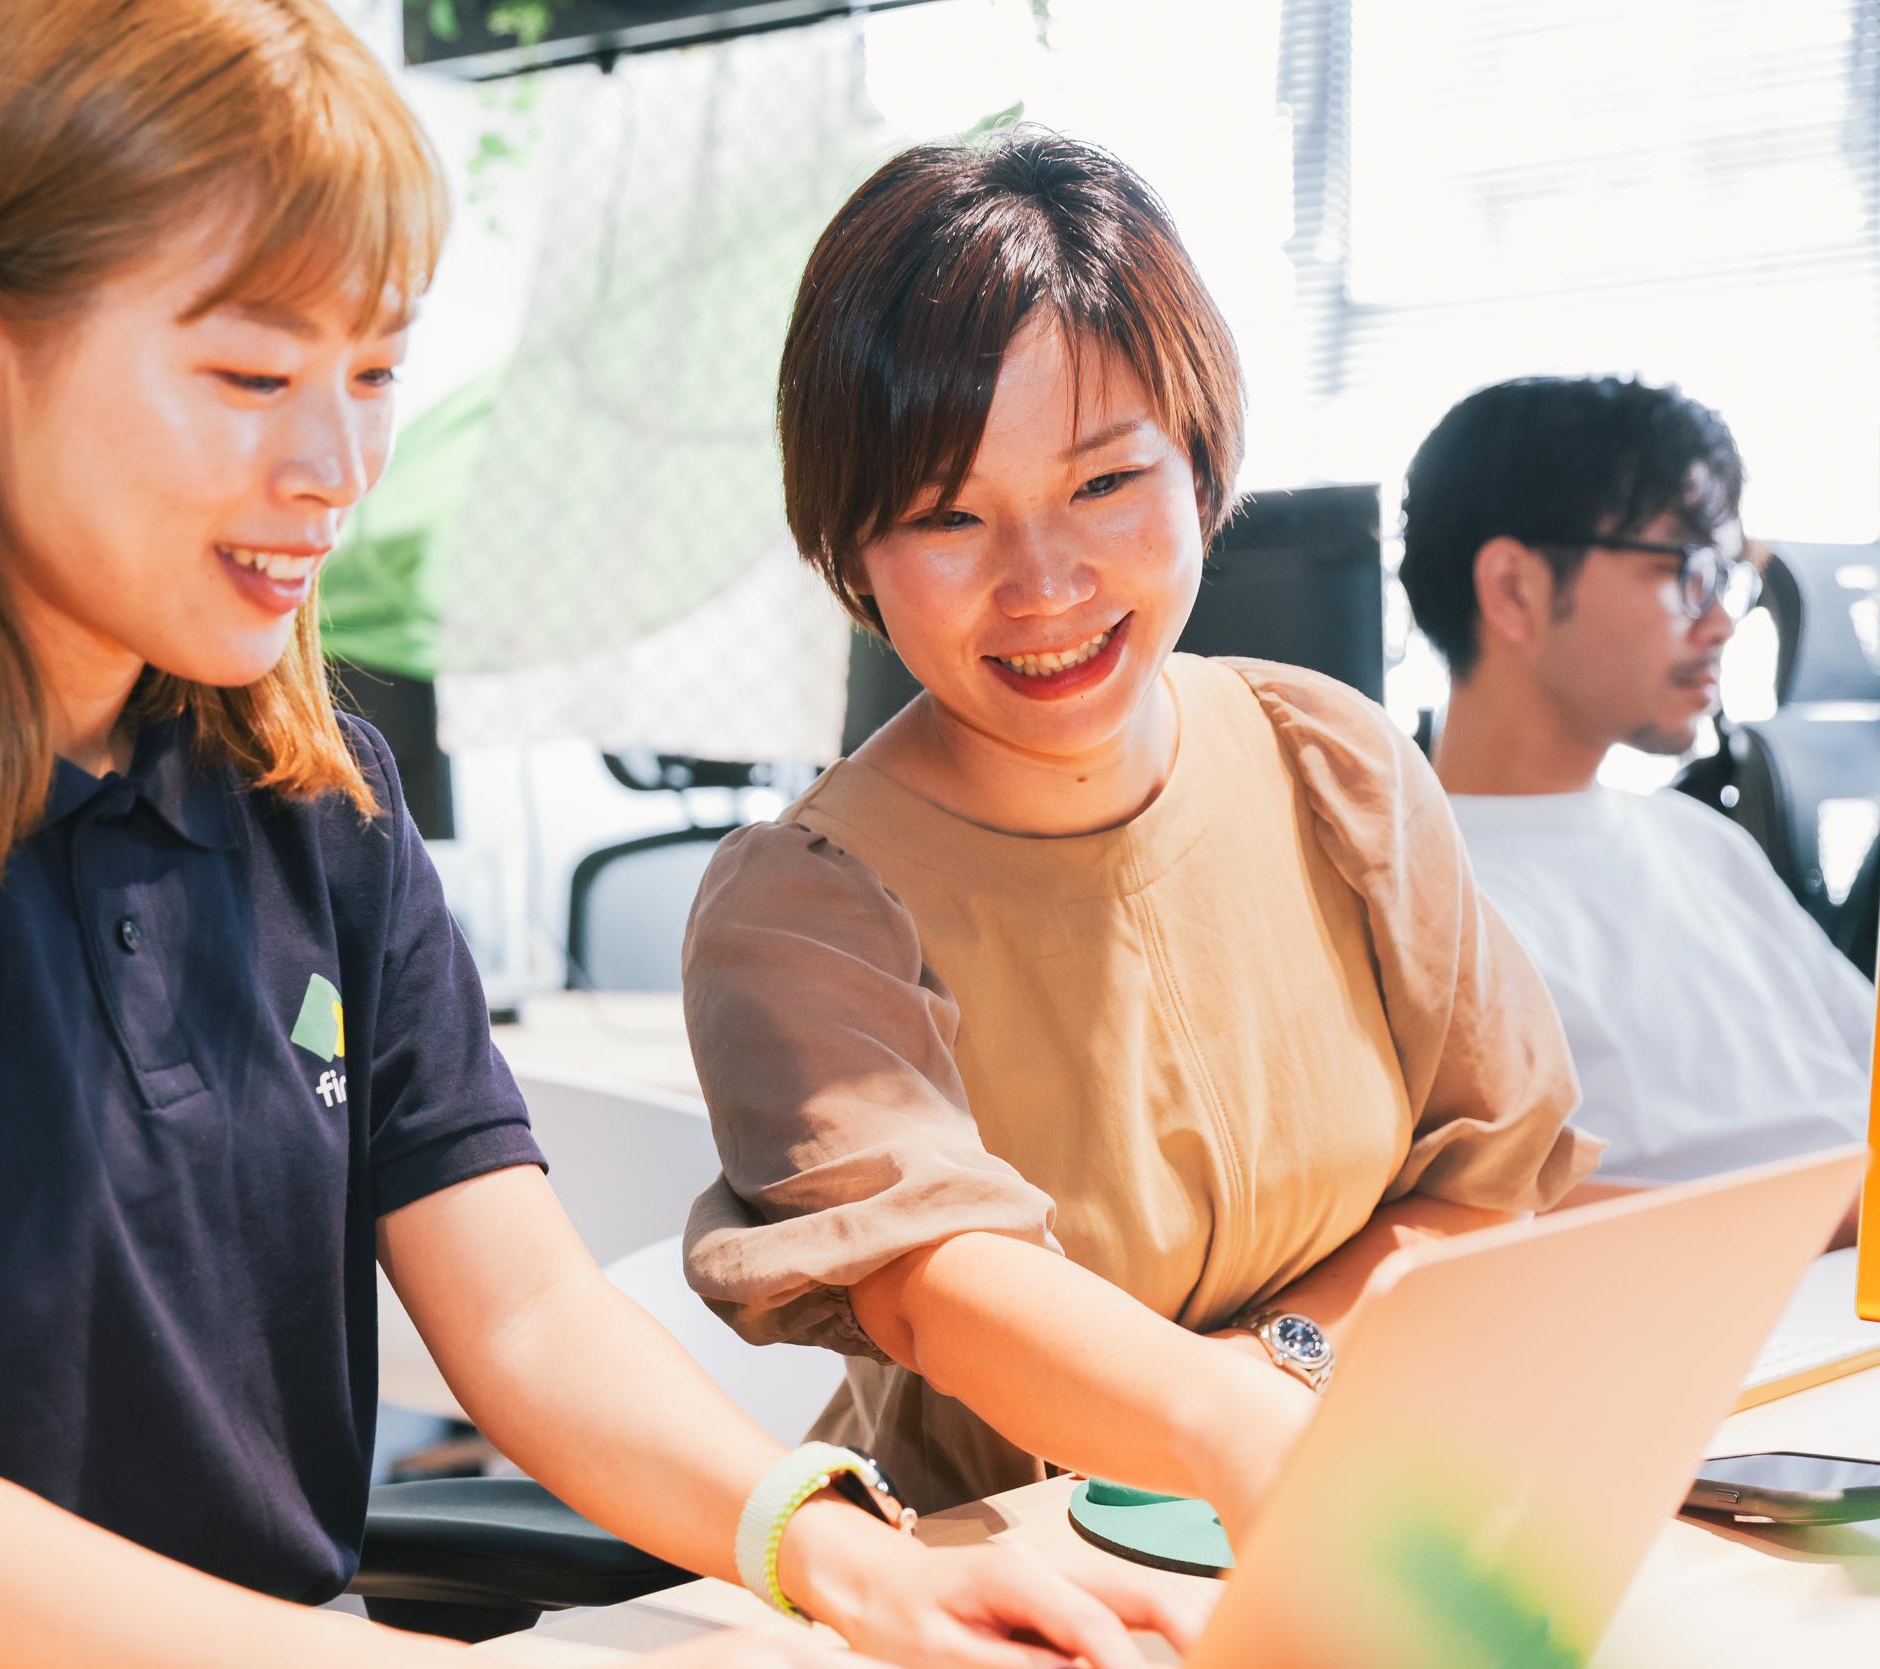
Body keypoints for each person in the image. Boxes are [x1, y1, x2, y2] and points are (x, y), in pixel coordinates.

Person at [0, 0, 1205, 1669]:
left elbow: (529, 1312)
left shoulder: (318, 804)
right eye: (248, 377)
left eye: (373, 373)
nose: (335, 464)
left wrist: (832, 1550)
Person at [681, 130, 1600, 1527]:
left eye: (1105, 483)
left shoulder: (1333, 768)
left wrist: (1274, 1371)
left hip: (1367, 1498)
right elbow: (948, 1293)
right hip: (1014, 1582)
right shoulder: (800, 908)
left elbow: (1487, 1185)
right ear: (851, 550)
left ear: (1201, 466)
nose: (1042, 582)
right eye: (946, 514)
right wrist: (1251, 1423)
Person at [1407, 377, 1875, 1209]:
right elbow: (1515, 1226)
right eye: (1688, 571)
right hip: (1755, 1315)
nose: (1723, 622)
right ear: (1515, 590)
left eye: (1727, 577)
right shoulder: (1424, 904)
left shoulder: (1702, 842)